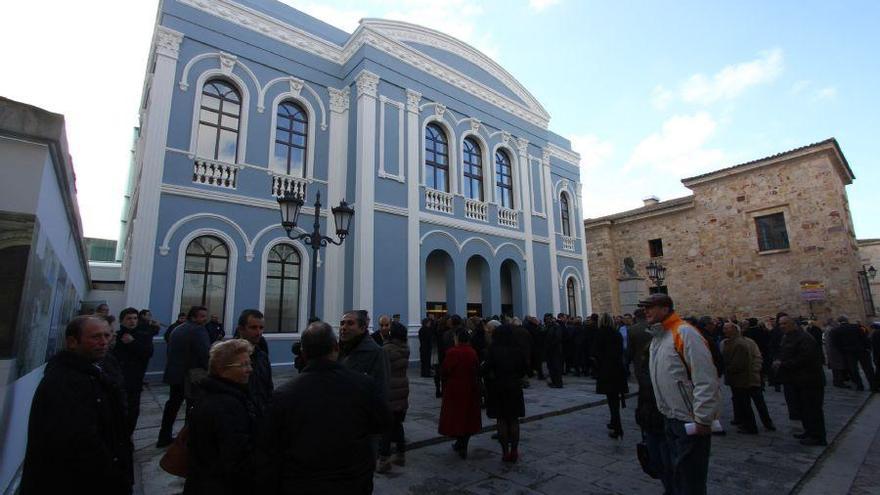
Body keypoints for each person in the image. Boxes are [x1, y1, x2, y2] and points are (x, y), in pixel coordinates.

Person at [255, 321, 391, 494]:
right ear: (335, 347)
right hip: (353, 481)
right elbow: (383, 423)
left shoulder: (283, 395)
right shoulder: (364, 385)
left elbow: (270, 449)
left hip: (304, 484)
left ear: (303, 354)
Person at [21, 316, 133, 494]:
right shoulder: (65, 381)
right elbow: (78, 440)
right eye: (96, 337)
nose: (104, 342)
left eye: (107, 335)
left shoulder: (93, 370)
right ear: (72, 342)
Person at [642, 294, 720, 495]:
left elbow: (706, 378)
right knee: (675, 474)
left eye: (651, 307)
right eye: (645, 307)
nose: (646, 311)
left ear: (666, 309)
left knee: (690, 479)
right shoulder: (658, 338)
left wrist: (702, 417)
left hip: (689, 420)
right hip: (669, 418)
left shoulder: (684, 332)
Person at [184, 339, 258, 494]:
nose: (249, 369)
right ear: (221, 369)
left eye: (249, 364)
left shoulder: (216, 394)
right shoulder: (225, 405)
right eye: (243, 365)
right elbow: (236, 457)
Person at [157, 305, 211, 448]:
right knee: (193, 407)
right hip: (192, 375)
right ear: (193, 317)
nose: (205, 319)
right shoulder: (198, 330)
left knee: (172, 405)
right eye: (202, 316)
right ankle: (188, 439)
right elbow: (205, 353)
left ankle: (164, 436)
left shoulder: (178, 328)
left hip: (176, 373)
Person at [774, 315, 827, 446]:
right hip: (796, 379)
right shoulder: (788, 337)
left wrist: (783, 364)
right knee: (803, 408)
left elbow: (805, 358)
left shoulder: (805, 338)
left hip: (809, 380)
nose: (782, 326)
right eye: (780, 324)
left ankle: (818, 436)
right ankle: (809, 431)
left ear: (794, 324)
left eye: (785, 324)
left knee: (812, 409)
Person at [483, 324, 527, 462]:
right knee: (514, 420)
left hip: (498, 386)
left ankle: (505, 452)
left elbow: (486, 368)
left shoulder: (493, 349)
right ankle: (514, 450)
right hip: (514, 386)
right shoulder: (518, 350)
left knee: (501, 420)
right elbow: (524, 369)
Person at [438, 327, 482, 459]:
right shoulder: (472, 352)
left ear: (457, 338)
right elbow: (476, 369)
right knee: (468, 417)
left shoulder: (452, 352)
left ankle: (459, 441)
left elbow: (445, 370)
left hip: (454, 389)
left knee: (455, 417)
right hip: (470, 388)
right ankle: (463, 443)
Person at [114, 307, 155, 436]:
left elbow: (148, 353)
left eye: (135, 318)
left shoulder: (143, 335)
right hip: (116, 380)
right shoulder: (116, 335)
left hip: (134, 380)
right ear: (122, 321)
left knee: (132, 412)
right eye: (129, 318)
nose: (132, 321)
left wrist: (132, 343)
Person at [377, 322, 411, 473]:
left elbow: (380, 371)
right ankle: (401, 454)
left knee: (385, 427)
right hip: (402, 389)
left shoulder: (386, 349)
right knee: (397, 423)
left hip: (390, 391)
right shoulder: (405, 348)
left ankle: (384, 460)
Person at [339, 310, 390, 404]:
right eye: (342, 323)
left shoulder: (376, 352)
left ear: (362, 328)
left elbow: (381, 390)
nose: (343, 327)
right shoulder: (338, 350)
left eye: (350, 323)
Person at [593, 313, 629, 438]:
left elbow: (596, 353)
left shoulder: (600, 334)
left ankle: (617, 426)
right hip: (618, 369)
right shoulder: (616, 334)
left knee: (612, 400)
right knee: (615, 399)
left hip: (606, 370)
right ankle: (614, 422)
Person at [721, 322, 759, 434]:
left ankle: (750, 426)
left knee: (744, 402)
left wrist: (726, 369)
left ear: (734, 330)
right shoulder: (732, 342)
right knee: (740, 401)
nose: (724, 331)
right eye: (723, 328)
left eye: (727, 328)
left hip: (740, 378)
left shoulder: (739, 343)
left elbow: (739, 364)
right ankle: (744, 423)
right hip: (736, 378)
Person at [235, 309, 273, 417]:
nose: (259, 332)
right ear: (241, 329)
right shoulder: (230, 357)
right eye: (253, 328)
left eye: (261, 328)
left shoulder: (262, 356)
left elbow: (268, 387)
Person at [832, 316, 876, 391]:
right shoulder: (857, 326)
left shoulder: (836, 330)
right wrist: (868, 348)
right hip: (862, 351)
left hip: (849, 353)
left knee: (854, 370)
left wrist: (843, 352)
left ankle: (860, 386)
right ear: (847, 320)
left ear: (839, 322)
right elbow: (865, 338)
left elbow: (836, 344)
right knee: (868, 369)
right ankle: (873, 386)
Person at [544, 313, 564, 388]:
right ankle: (554, 382)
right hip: (549, 350)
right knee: (551, 367)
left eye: (549, 319)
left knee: (556, 367)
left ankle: (558, 383)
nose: (547, 320)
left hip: (555, 350)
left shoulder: (556, 327)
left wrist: (551, 345)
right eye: (546, 319)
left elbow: (557, 338)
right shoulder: (548, 327)